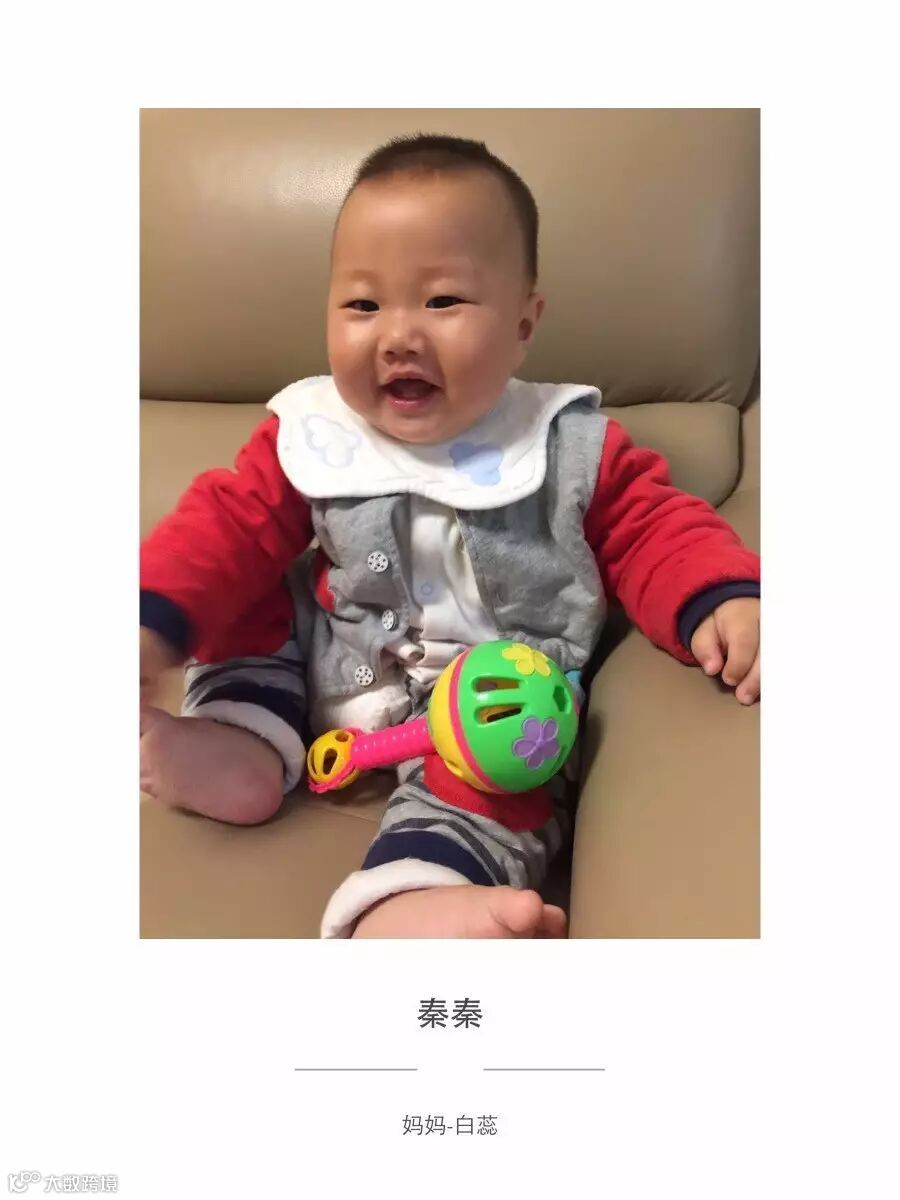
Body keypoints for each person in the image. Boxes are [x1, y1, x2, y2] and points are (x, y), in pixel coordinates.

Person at [140, 134, 760, 939]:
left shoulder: (568, 446)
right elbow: (223, 527)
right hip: (324, 655)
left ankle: (418, 888)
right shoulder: (314, 435)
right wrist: (150, 622)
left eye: (442, 302)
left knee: (510, 769)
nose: (397, 335)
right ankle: (238, 736)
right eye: (363, 306)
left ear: (524, 322)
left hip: (485, 703)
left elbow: (655, 530)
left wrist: (721, 598)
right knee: (248, 602)